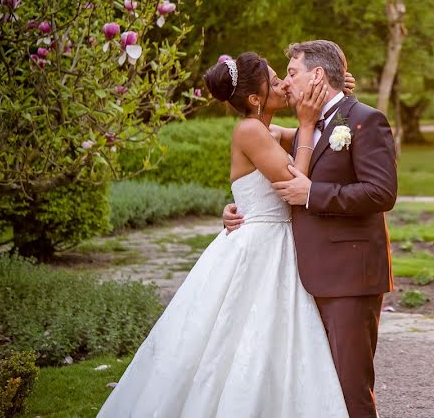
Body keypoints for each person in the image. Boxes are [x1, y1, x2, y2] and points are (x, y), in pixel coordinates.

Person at [98, 52, 349, 417]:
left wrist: (336, 96)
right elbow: (297, 181)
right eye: (275, 79)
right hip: (260, 249)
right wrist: (307, 125)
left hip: (273, 242)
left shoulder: (267, 130)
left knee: (276, 341)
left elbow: (326, 139)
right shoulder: (250, 130)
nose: (283, 84)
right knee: (241, 338)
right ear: (254, 99)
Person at [223, 40, 397, 418]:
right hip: (301, 278)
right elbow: (259, 165)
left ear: (317, 75)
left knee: (351, 389)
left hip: (349, 277)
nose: (286, 82)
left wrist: (313, 193)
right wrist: (241, 209)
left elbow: (382, 193)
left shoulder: (365, 120)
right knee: (315, 388)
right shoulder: (303, 124)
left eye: (292, 72)